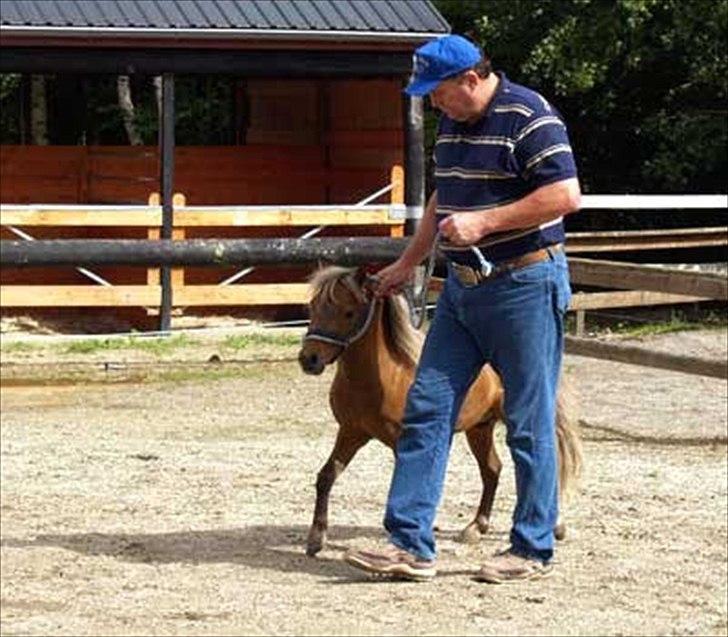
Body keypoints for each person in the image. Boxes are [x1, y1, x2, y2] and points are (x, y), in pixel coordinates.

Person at [344, 34, 581, 583]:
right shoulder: (454, 125)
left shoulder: (530, 115)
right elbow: (442, 198)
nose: (432, 104)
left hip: (525, 282)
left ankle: (530, 548)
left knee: (527, 419)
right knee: (426, 407)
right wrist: (408, 263)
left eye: (438, 92)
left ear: (471, 79)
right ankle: (409, 543)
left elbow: (566, 195)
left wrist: (486, 221)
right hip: (461, 290)